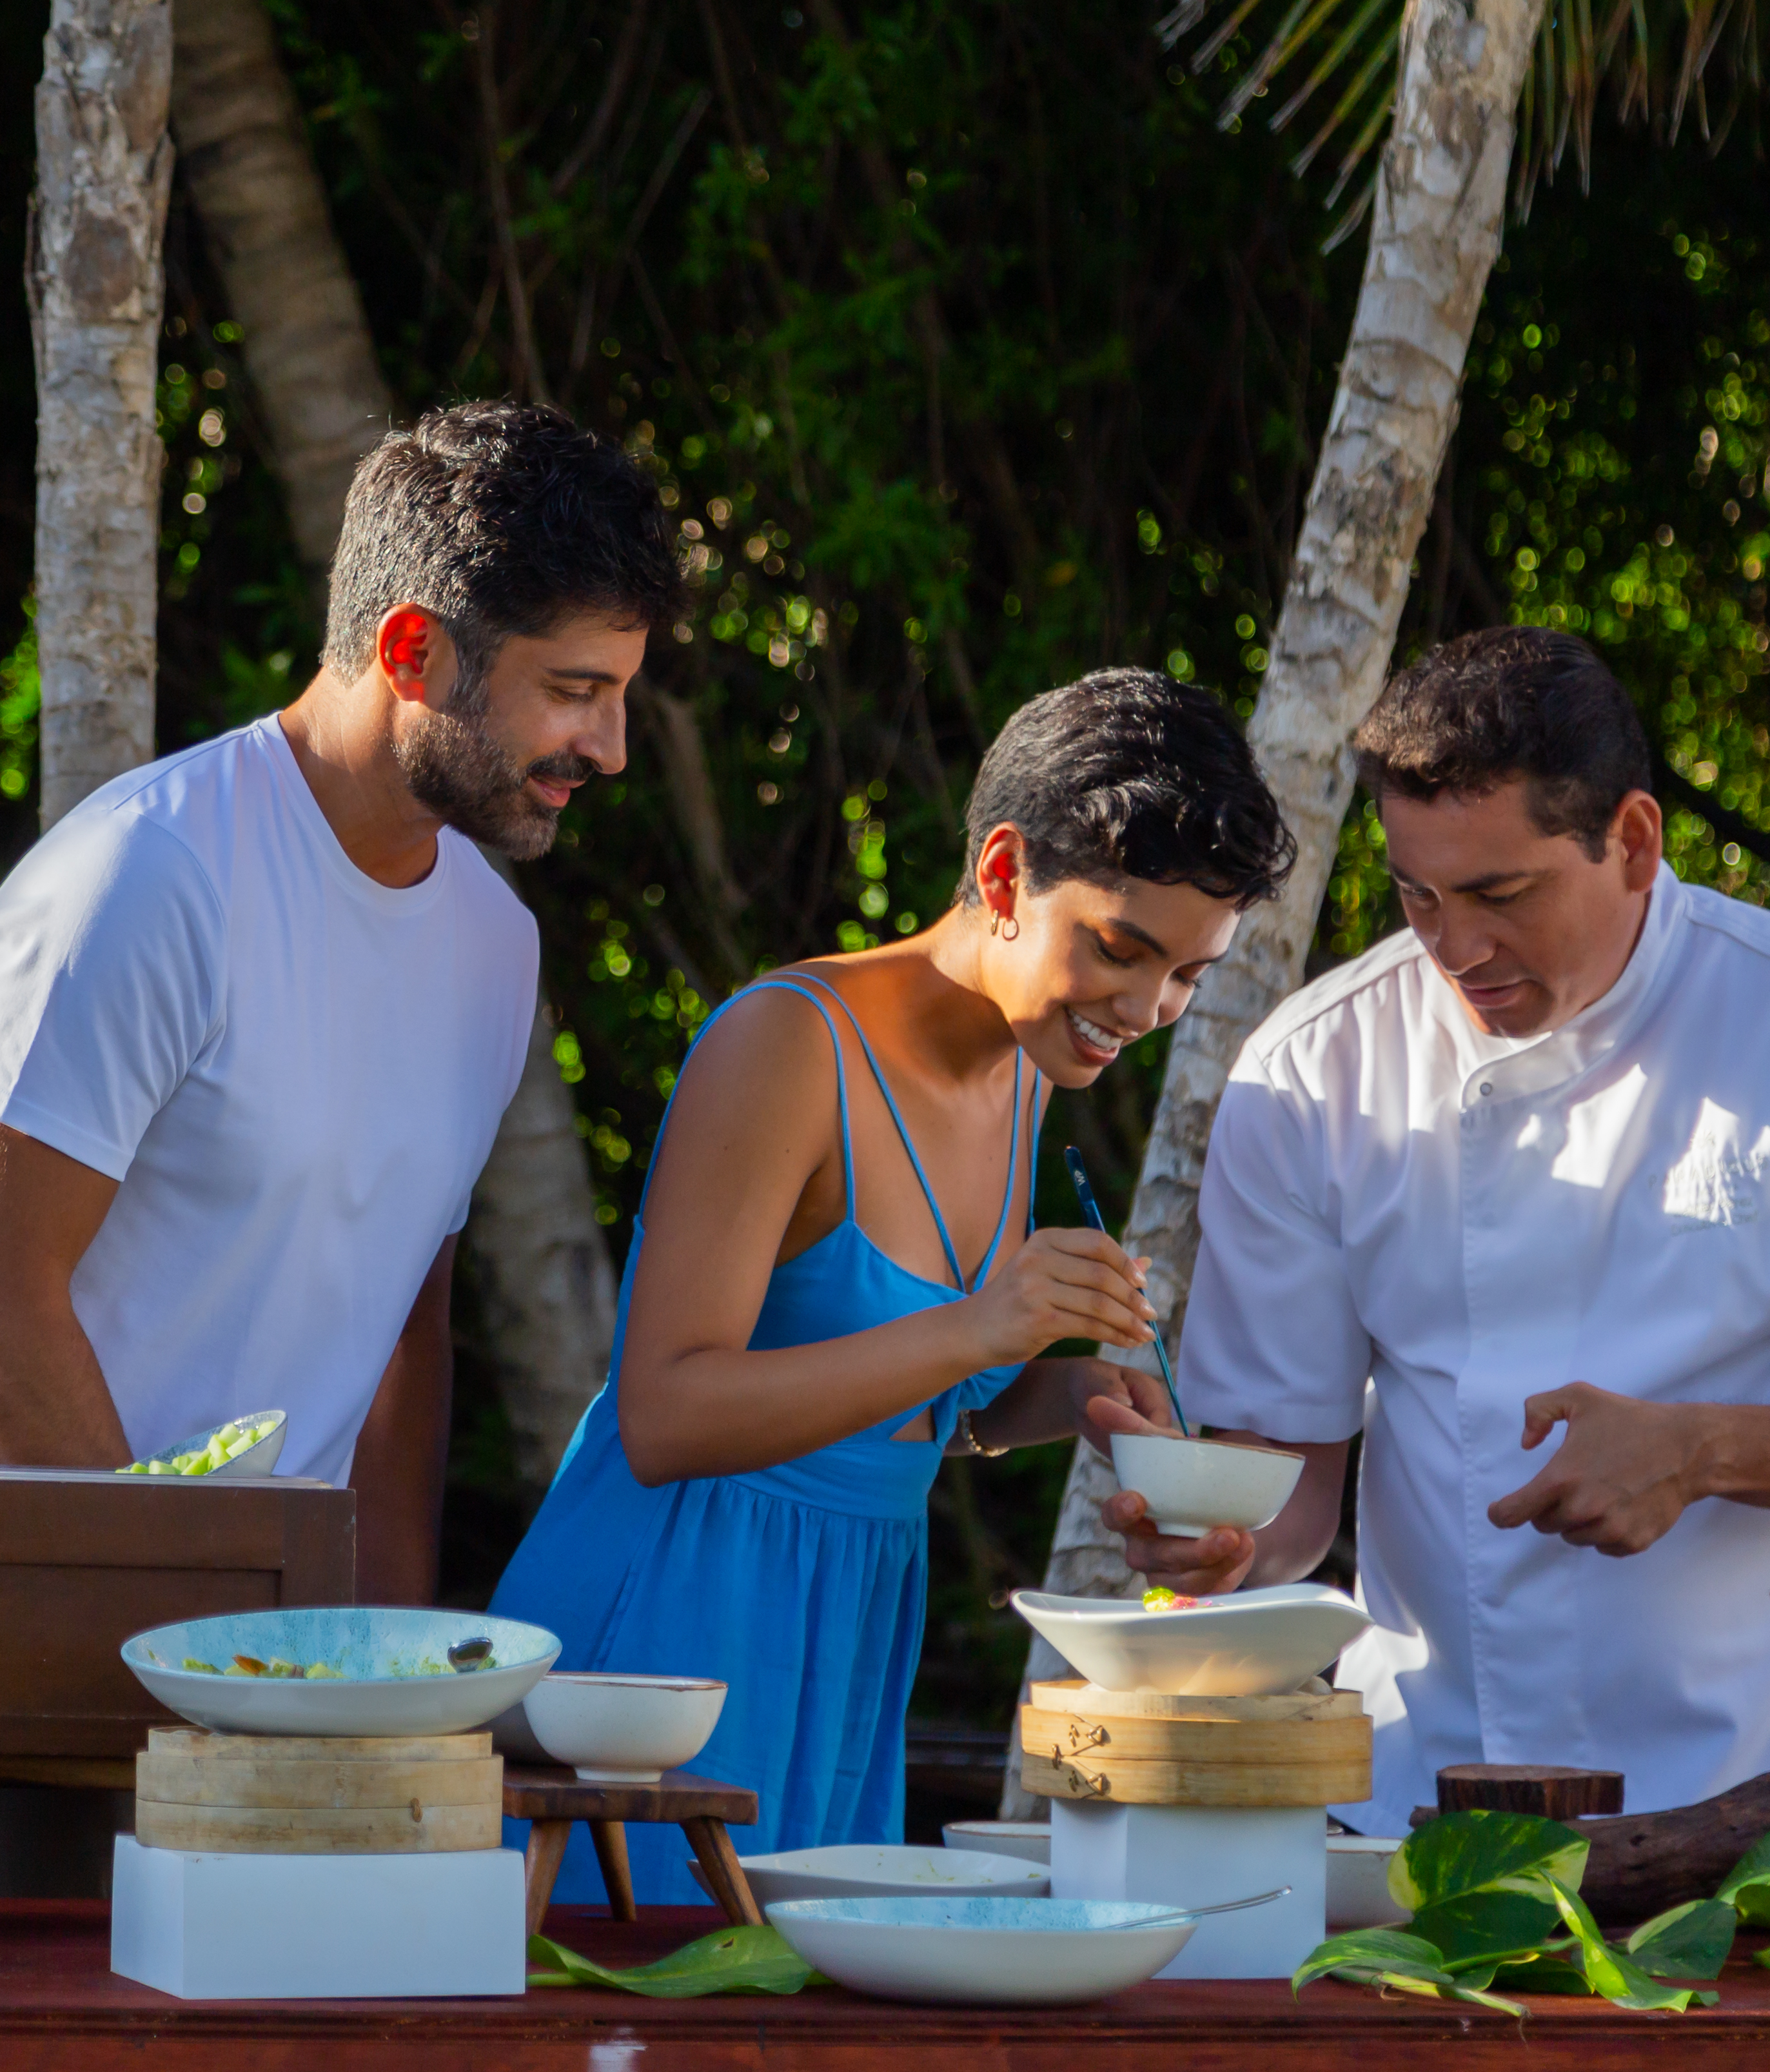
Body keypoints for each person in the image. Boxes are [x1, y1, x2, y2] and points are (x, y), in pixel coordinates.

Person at [1141, 626, 1770, 1829]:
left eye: (1499, 895)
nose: (1453, 948)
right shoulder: (1311, 1073)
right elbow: (1292, 1488)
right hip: (1424, 1806)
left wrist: (1701, 1450)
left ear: (1631, 841)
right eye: (1416, 894)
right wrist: (1218, 1543)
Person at [0, 402, 687, 1610]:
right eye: (571, 689)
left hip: (247, 1652)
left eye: (618, 697)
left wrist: (379, 1677)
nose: (606, 747)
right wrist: (186, 1638)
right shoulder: (146, 878)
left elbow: (403, 1343)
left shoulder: (495, 947)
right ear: (411, 653)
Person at [491, 670, 1297, 1902]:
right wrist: (987, 1321)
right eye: (1120, 949)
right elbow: (663, 1416)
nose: (1146, 1009)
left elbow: (916, 1407)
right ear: (1001, 874)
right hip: (668, 1638)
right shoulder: (786, 1046)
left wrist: (1072, 1393)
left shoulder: (1031, 1065)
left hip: (851, 1627)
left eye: (1188, 976)